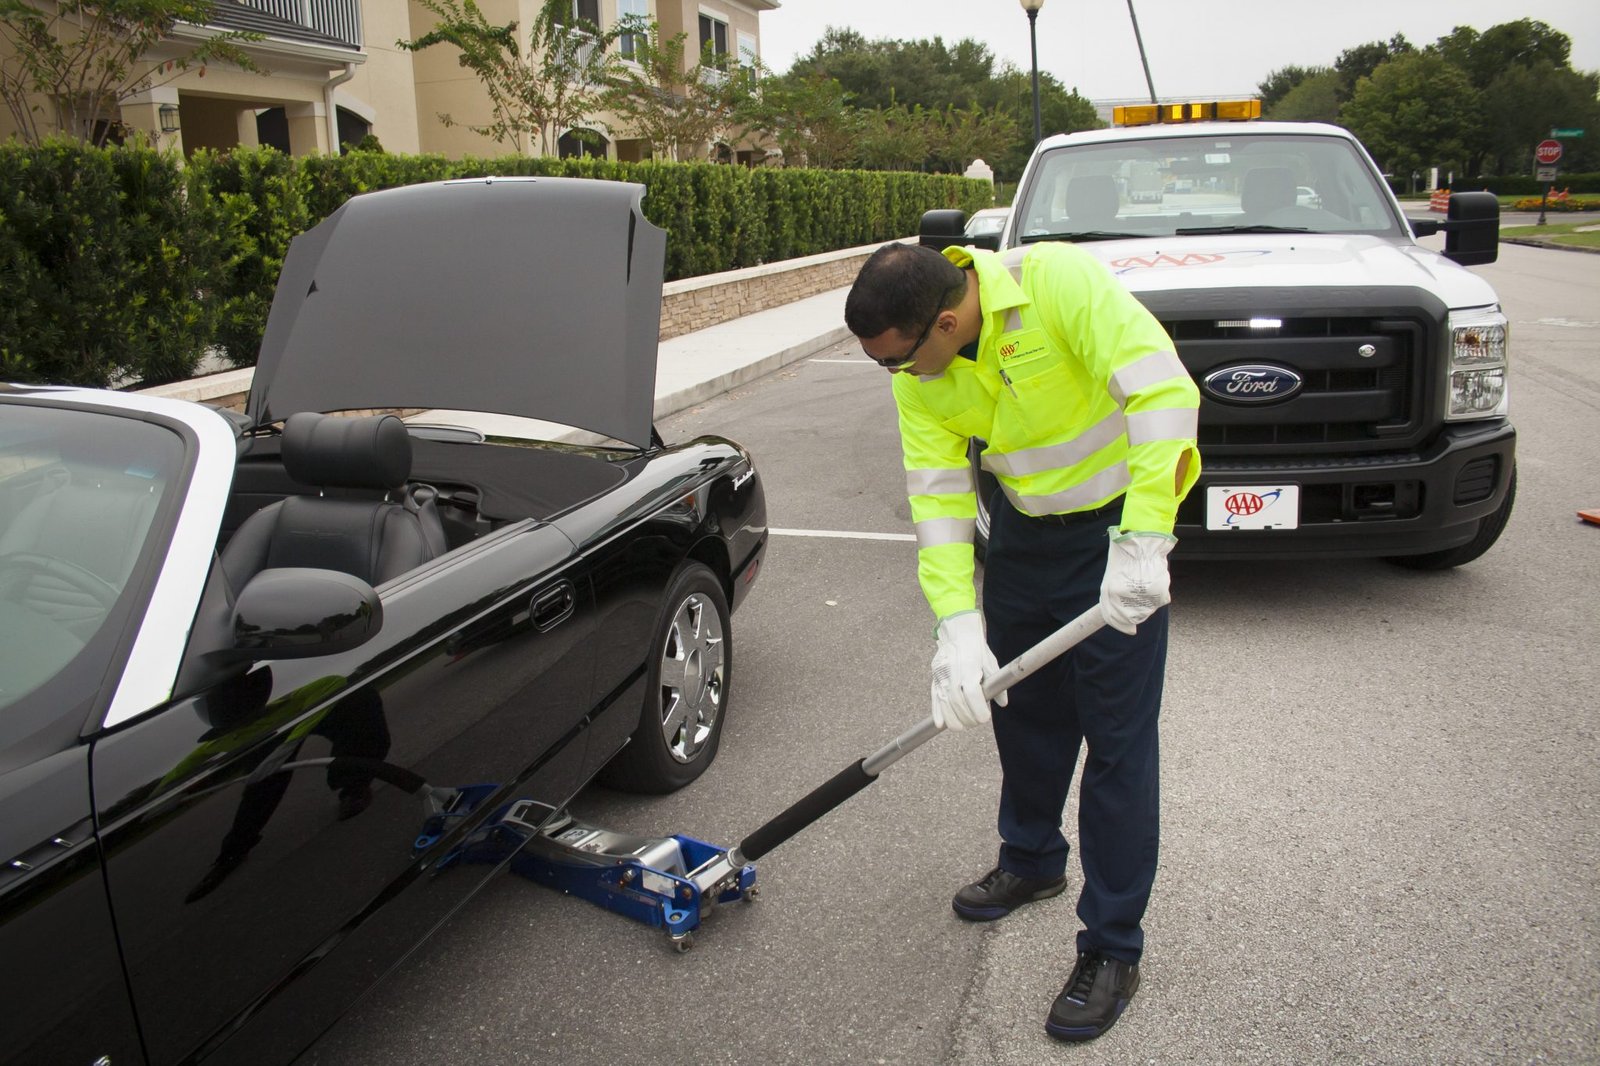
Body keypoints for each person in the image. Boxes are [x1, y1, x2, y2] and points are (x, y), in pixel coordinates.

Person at [843, 239, 1199, 1043]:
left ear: (943, 322)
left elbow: (1163, 392)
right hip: (1023, 544)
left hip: (1114, 533)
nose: (897, 378)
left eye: (900, 362)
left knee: (1116, 743)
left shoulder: (1055, 284)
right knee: (1027, 716)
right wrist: (956, 626)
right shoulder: (920, 376)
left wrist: (1145, 539)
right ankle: (1033, 858)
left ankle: (1112, 947)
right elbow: (935, 496)